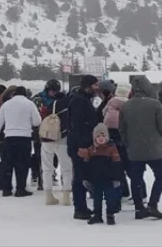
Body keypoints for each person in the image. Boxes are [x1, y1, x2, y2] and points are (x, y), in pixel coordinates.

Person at [120, 75, 162, 220]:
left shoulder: (126, 106)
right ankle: (153, 204)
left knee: (136, 179)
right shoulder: (155, 104)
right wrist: (160, 140)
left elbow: (122, 129)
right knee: (161, 175)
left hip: (135, 150)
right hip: (155, 148)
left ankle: (139, 208)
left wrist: (128, 144)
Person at [0, 85, 42, 197]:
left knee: (7, 164)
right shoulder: (29, 104)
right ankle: (20, 189)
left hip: (9, 138)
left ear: (13, 94)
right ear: (25, 94)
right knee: (22, 165)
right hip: (24, 138)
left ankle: (7, 189)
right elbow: (37, 121)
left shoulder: (6, 104)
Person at [68, 75, 103, 220]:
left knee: (83, 176)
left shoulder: (83, 100)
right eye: (95, 85)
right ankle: (80, 208)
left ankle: (82, 207)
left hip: (82, 143)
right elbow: (78, 126)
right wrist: (82, 146)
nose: (97, 87)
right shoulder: (79, 101)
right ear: (88, 86)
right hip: (80, 145)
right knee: (80, 177)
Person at [37, 78, 73, 206]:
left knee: (47, 167)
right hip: (62, 137)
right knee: (66, 167)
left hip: (47, 137)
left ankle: (48, 195)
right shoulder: (69, 104)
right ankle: (66, 196)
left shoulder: (47, 105)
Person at [78, 123, 124, 226]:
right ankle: (97, 215)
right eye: (98, 136)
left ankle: (110, 215)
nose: (101, 138)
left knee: (110, 198)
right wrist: (85, 178)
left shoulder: (112, 149)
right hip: (95, 179)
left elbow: (117, 164)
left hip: (109, 179)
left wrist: (117, 178)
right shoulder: (91, 150)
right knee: (97, 198)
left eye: (103, 136)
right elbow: (86, 165)